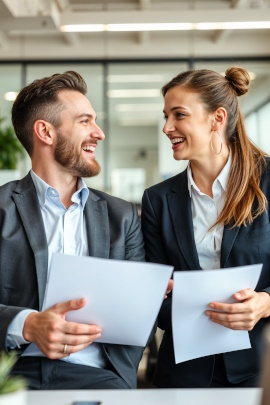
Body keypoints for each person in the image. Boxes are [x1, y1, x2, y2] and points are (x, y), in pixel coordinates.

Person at [0, 71, 147, 390]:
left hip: (101, 378)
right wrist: (26, 325)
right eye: (85, 121)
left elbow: (137, 320)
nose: (99, 133)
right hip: (11, 374)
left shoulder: (121, 216)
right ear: (45, 132)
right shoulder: (1, 209)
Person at [141, 66, 270, 388]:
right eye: (165, 116)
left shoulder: (267, 179)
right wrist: (167, 297)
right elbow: (152, 294)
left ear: (217, 118)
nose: (167, 127)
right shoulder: (158, 199)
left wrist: (265, 302)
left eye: (179, 115)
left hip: (261, 366)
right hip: (185, 372)